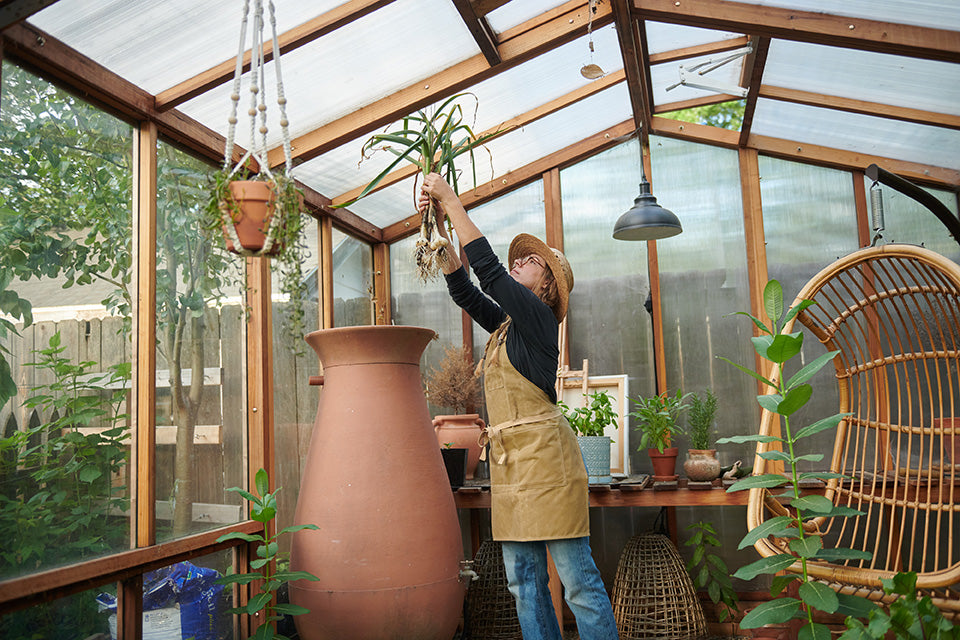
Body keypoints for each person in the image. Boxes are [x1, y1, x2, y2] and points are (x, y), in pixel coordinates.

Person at [419, 173, 619, 640]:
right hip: (511, 465)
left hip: (548, 465)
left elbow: (487, 271)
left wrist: (449, 199)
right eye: (523, 257)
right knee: (523, 583)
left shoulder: (538, 318)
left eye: (534, 262)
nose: (522, 261)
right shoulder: (510, 327)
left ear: (547, 286)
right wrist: (443, 244)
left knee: (577, 584)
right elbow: (469, 292)